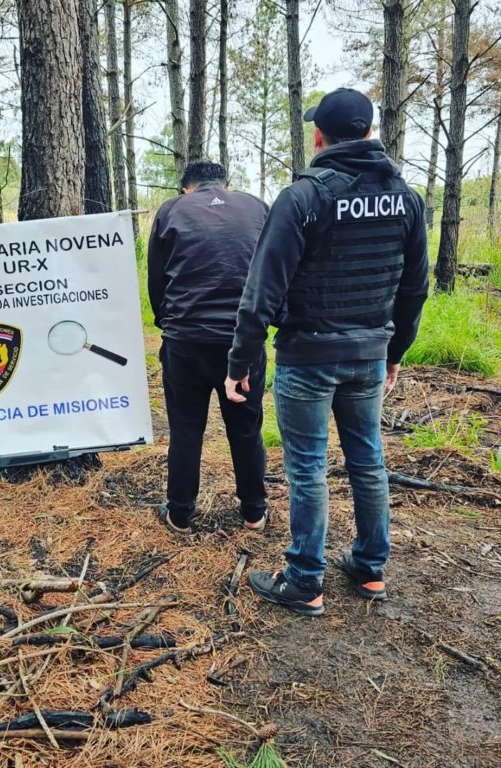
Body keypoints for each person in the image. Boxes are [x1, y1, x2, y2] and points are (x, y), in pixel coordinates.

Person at [225, 88, 429, 616]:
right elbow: (414, 288)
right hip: (368, 353)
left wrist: (241, 361)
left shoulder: (304, 196)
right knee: (369, 460)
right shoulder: (404, 197)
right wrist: (395, 351)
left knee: (308, 467)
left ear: (321, 137)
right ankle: (369, 567)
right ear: (366, 133)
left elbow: (262, 288)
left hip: (308, 358)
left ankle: (304, 580)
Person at [148, 160, 270, 534]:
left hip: (186, 339)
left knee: (186, 428)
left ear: (186, 187)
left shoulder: (171, 210)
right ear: (225, 183)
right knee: (246, 426)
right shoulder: (256, 206)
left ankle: (180, 514)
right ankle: (254, 512)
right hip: (243, 340)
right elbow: (272, 268)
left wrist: (166, 322)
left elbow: (157, 278)